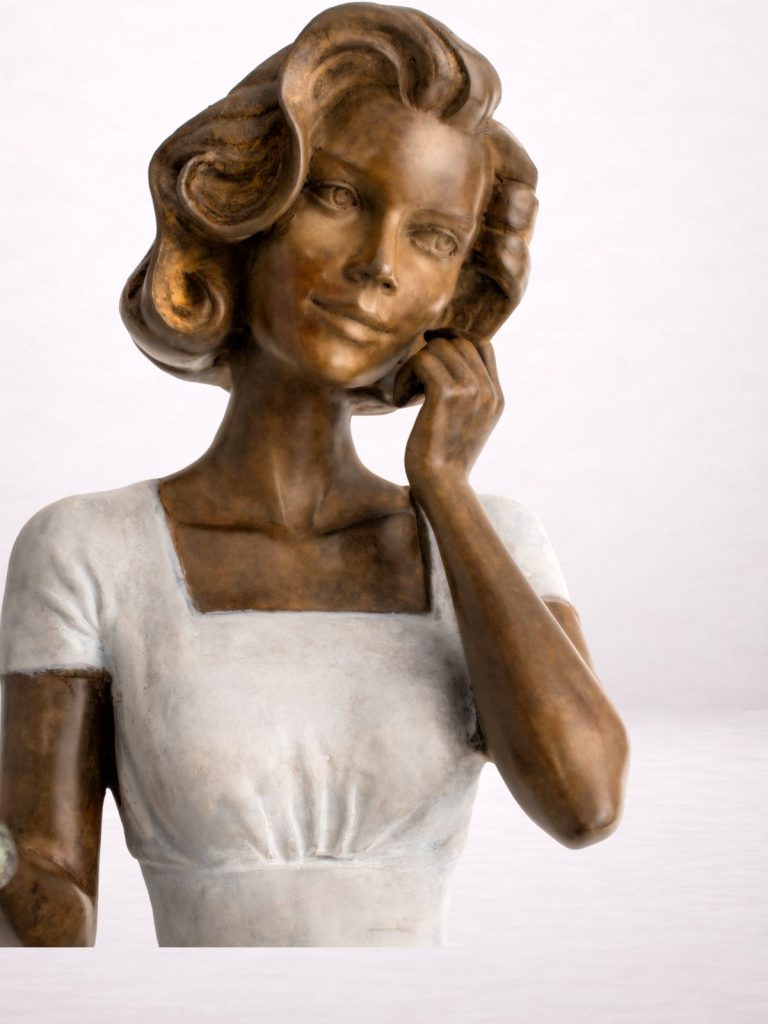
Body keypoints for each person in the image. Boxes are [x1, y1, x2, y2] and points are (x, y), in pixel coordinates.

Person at [0, 2, 628, 946]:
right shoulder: (88, 550)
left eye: (433, 237)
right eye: (338, 197)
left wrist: (446, 494)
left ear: (456, 292)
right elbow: (49, 910)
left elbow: (585, 804)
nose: (379, 265)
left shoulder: (494, 542)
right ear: (245, 206)